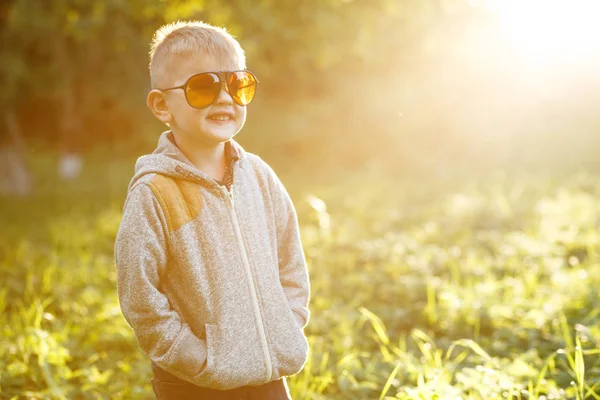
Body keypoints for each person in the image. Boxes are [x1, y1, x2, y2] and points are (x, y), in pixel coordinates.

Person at [114, 20, 311, 400]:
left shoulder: (259, 176)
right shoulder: (155, 192)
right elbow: (140, 296)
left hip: (269, 371)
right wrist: (195, 358)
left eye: (238, 85)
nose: (225, 99)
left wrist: (287, 322)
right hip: (192, 382)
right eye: (203, 87)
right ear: (161, 105)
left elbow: (290, 257)